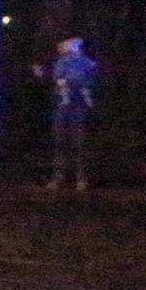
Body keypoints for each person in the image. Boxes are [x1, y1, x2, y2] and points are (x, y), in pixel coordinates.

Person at [47, 36, 100, 191]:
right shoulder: (62, 62)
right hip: (64, 106)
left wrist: (69, 83)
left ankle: (79, 177)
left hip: (77, 107)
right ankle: (60, 177)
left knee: (78, 143)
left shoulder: (86, 63)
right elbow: (58, 79)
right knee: (60, 143)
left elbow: (86, 81)